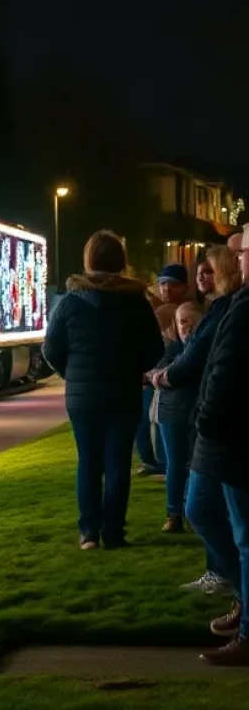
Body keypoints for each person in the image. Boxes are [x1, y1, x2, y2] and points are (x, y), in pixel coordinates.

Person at [43, 230, 163, 550]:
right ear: (120, 262)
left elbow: (51, 349)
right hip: (123, 391)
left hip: (82, 395)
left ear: (89, 260)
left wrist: (71, 373)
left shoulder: (70, 302)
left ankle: (88, 532)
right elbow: (154, 349)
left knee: (89, 461)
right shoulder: (136, 302)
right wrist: (134, 367)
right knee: (118, 462)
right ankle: (113, 531)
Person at [155, 247, 241, 593]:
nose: (204, 277)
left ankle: (234, 585)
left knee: (205, 508)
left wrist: (166, 376)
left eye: (210, 271)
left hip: (217, 425)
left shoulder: (227, 309)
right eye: (199, 272)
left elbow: (200, 360)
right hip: (213, 419)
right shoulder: (222, 308)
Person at [186, 227, 249, 666]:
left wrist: (205, 419)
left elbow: (219, 367)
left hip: (230, 436)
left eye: (242, 252)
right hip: (225, 435)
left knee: (243, 534)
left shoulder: (240, 308)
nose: (238, 258)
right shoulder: (234, 306)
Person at [136, 263, 188, 475]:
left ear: (184, 287)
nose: (166, 289)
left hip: (170, 378)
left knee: (162, 424)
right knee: (143, 421)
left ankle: (166, 465)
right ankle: (151, 461)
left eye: (173, 285)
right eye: (163, 284)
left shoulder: (186, 310)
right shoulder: (155, 310)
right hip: (150, 376)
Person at [153, 301, 199, 531]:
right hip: (171, 412)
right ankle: (174, 514)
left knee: (194, 464)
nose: (186, 327)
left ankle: (191, 512)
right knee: (176, 464)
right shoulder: (169, 347)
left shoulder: (203, 347)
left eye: (191, 321)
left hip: (195, 412)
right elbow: (157, 374)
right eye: (182, 321)